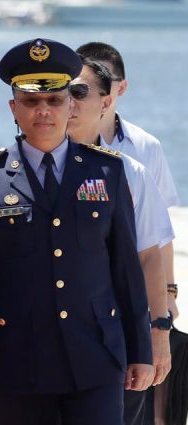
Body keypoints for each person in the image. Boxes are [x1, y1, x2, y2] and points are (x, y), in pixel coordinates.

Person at [0, 38, 154, 425]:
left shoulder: (106, 171)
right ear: (13, 108)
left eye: (55, 100)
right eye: (31, 100)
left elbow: (125, 270)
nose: (43, 110)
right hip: (18, 359)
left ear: (70, 105)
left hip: (95, 356)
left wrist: (141, 350)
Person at [67, 57, 174, 425]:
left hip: (115, 340)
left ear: (107, 101)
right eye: (58, 92)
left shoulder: (129, 172)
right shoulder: (19, 170)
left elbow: (151, 255)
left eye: (79, 92)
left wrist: (159, 332)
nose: (67, 102)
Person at [76, 42, 181, 321]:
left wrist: (168, 292)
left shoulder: (146, 147)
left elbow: (160, 229)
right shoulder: (57, 146)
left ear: (120, 88)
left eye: (104, 79)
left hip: (135, 284)